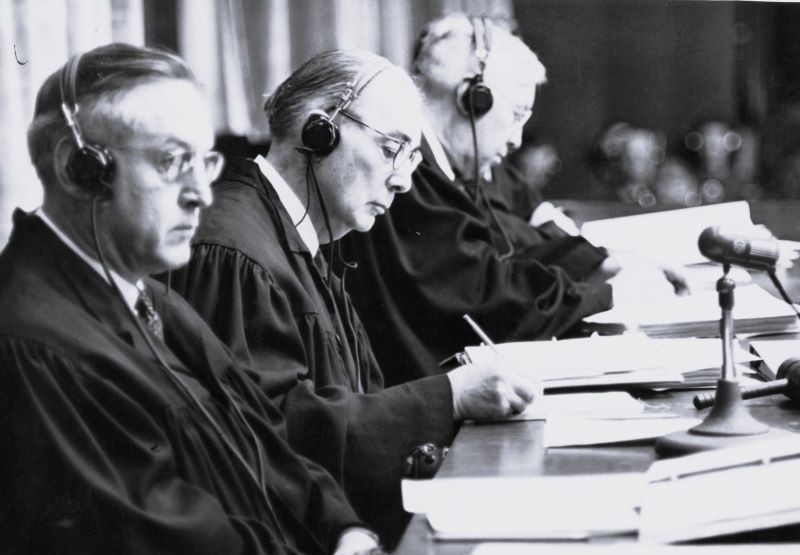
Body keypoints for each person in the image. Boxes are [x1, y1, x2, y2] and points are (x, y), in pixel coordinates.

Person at [0, 43, 382, 555]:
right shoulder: (34, 344)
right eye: (172, 161)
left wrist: (344, 529)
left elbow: (266, 447)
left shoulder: (155, 301)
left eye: (203, 162)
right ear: (81, 168)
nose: (202, 193)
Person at [169, 49, 539, 547]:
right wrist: (448, 396)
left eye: (411, 157)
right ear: (318, 131)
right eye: (391, 149)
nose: (403, 180)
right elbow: (274, 438)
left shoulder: (294, 237)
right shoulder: (235, 251)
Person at [342, 14, 618, 387]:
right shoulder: (411, 174)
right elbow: (484, 299)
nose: (516, 140)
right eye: (516, 115)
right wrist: (608, 293)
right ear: (472, 100)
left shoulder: (439, 167)